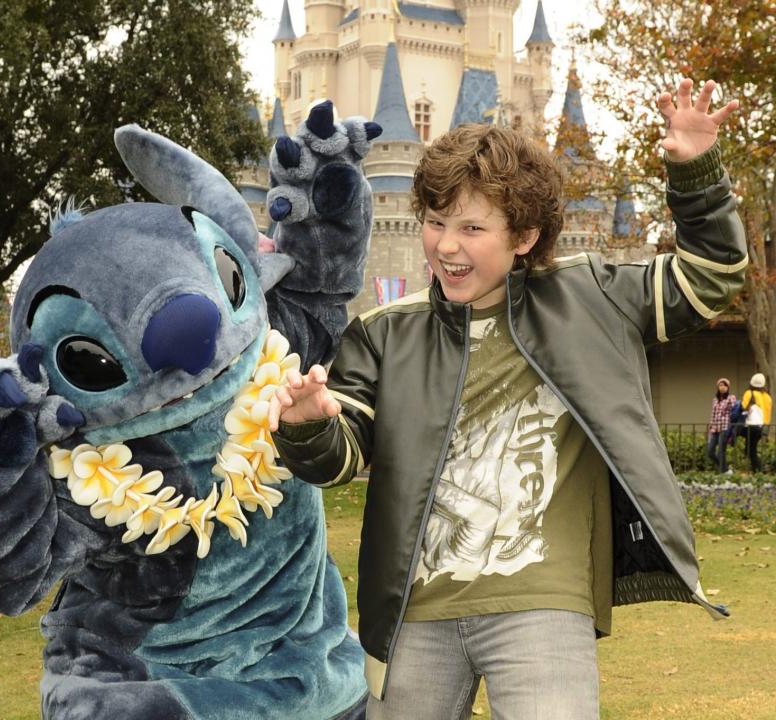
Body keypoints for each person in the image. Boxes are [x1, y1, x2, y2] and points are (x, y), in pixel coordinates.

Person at [268, 78, 743, 720]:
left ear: (523, 235)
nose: (446, 245)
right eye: (435, 223)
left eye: (471, 226)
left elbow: (707, 278)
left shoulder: (592, 297)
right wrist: (306, 425)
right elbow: (340, 457)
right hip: (416, 609)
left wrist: (696, 175)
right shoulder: (385, 330)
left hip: (543, 599)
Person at [742, 372, 772, 473]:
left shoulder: (749, 393)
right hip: (762, 426)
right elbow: (768, 413)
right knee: (751, 448)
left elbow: (743, 408)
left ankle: (759, 470)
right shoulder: (768, 397)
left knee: (751, 451)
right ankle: (757, 469)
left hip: (750, 425)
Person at [708, 377, 737, 474]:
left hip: (725, 427)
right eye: (720, 385)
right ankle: (725, 469)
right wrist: (711, 426)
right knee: (710, 451)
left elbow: (734, 411)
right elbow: (713, 414)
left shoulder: (731, 398)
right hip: (715, 428)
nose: (722, 387)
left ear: (728, 387)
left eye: (724, 385)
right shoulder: (715, 400)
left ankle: (723, 471)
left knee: (721, 451)